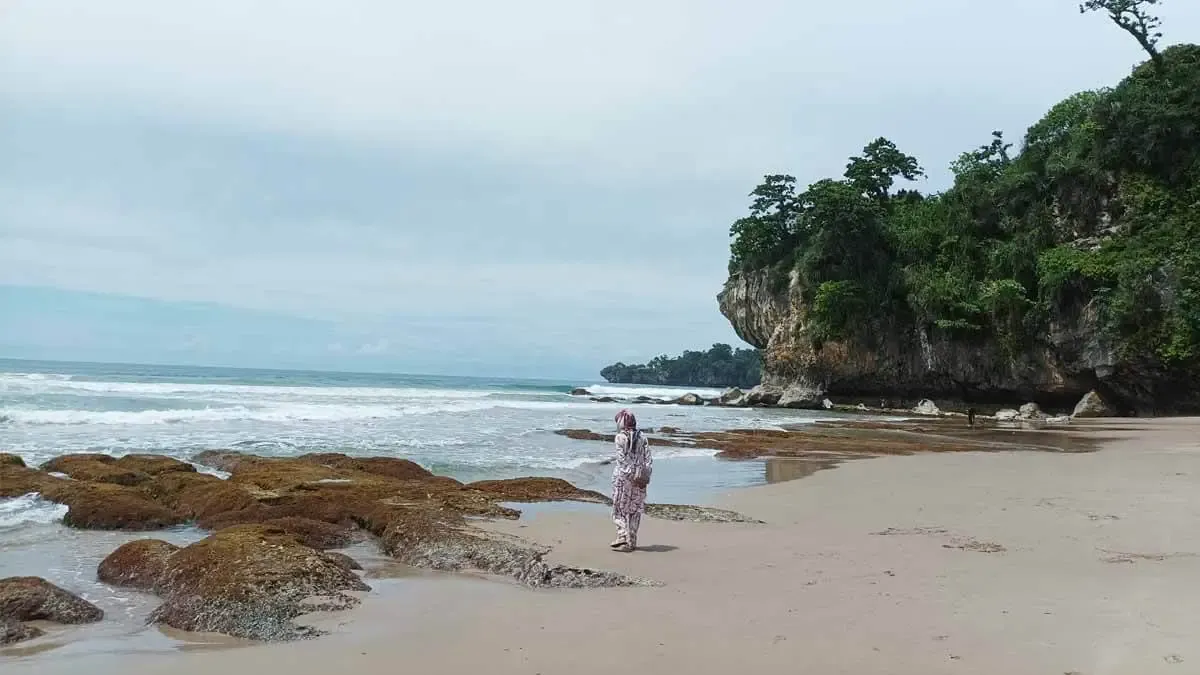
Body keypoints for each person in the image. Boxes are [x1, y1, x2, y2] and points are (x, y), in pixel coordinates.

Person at [611, 408, 652, 552]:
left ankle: (622, 536)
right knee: (635, 510)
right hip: (640, 478)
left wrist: (629, 474)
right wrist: (644, 476)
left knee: (619, 508)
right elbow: (648, 459)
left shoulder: (620, 437)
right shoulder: (643, 437)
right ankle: (632, 541)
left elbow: (621, 460)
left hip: (623, 479)